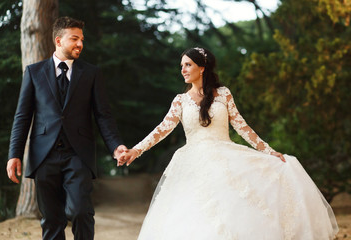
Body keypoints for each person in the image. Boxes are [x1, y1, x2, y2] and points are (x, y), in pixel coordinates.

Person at [118, 47, 339, 239]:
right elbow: (161, 130)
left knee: (233, 210)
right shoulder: (180, 101)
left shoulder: (223, 94)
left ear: (202, 67)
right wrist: (136, 150)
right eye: (181, 65)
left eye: (188, 64)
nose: (183, 69)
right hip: (193, 164)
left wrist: (269, 151)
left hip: (226, 160)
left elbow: (243, 127)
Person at [6, 16, 127, 240]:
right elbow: (22, 116)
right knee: (52, 220)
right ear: (59, 41)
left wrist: (115, 146)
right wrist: (14, 154)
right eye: (75, 39)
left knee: (80, 211)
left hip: (78, 154)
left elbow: (103, 116)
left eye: (82, 39)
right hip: (44, 155)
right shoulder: (34, 72)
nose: (80, 44)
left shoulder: (91, 73)